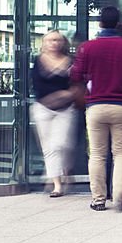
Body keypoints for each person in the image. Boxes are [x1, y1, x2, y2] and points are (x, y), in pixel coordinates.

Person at [70, 7, 122, 212]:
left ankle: (98, 199)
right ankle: (120, 196)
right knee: (121, 152)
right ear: (117, 22)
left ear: (100, 23)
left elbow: (76, 75)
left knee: (97, 154)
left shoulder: (88, 47)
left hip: (96, 106)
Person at [30, 30, 76, 197]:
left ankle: (65, 170)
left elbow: (76, 84)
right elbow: (37, 86)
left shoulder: (70, 61)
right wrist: (60, 94)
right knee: (49, 147)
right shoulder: (38, 60)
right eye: (50, 40)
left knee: (62, 144)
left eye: (57, 40)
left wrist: (66, 95)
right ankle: (57, 184)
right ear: (44, 43)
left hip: (65, 109)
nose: (54, 43)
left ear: (63, 42)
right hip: (43, 108)